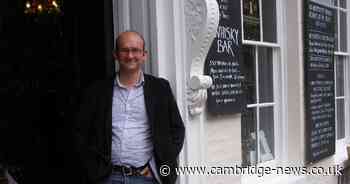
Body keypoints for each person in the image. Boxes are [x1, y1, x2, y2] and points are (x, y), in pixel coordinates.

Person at [74, 31, 185, 184]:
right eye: (125, 50)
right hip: (107, 177)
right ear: (116, 54)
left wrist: (163, 160)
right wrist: (93, 167)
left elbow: (177, 129)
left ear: (144, 55)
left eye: (135, 50)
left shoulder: (160, 88)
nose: (130, 55)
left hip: (146, 177)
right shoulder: (98, 91)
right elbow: (81, 132)